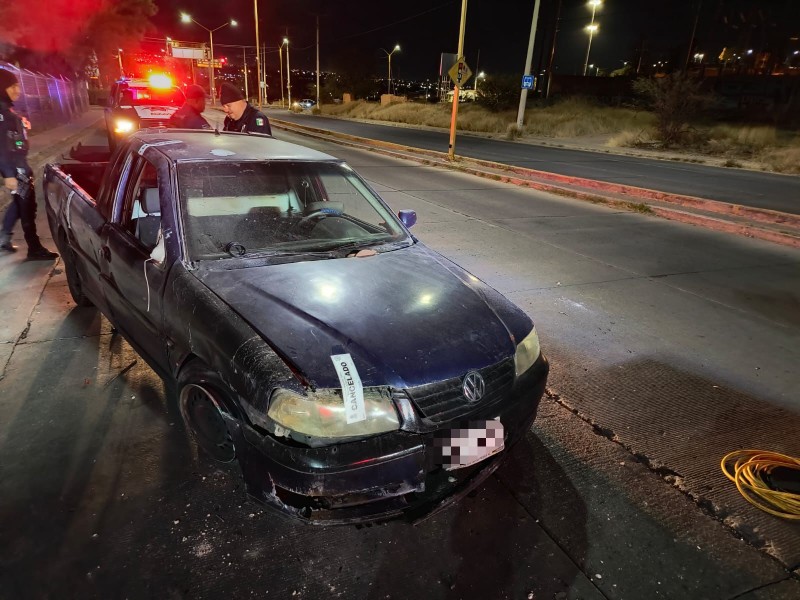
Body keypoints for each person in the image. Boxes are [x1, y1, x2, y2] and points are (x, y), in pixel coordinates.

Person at [0, 69, 58, 259]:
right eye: (13, 86)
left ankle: (5, 239)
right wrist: (8, 174)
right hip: (17, 170)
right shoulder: (2, 114)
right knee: (27, 208)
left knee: (22, 204)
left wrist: (21, 124)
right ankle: (34, 248)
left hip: (20, 167)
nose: (18, 90)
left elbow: (12, 139)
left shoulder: (7, 111)